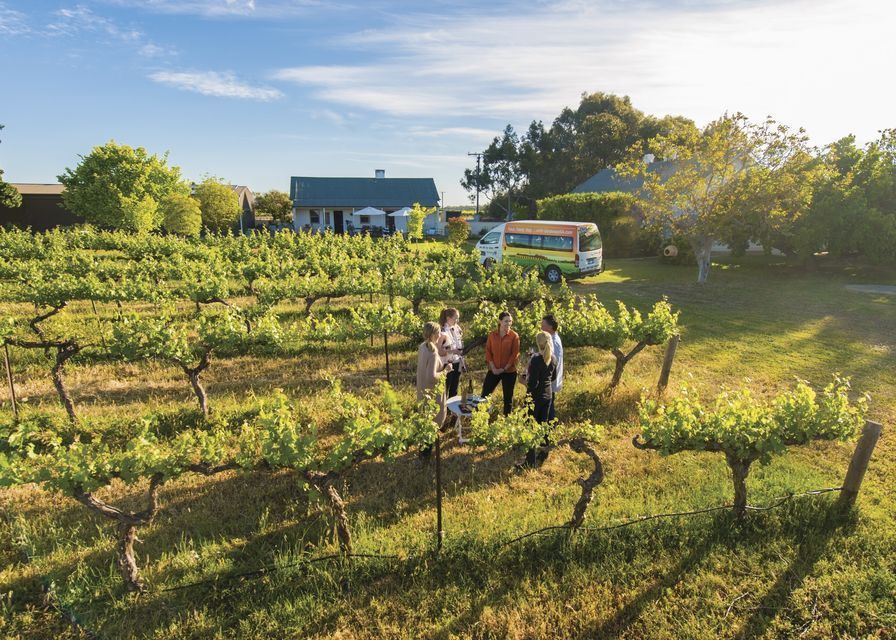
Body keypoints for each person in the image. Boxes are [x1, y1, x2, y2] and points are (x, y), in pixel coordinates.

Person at [524, 330, 558, 467]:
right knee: (544, 424)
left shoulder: (536, 359)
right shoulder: (553, 358)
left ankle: (529, 459)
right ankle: (543, 453)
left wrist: (524, 381)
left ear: (538, 343)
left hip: (535, 396)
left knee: (530, 426)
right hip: (548, 394)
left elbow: (532, 383)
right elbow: (553, 377)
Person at [481, 311, 520, 415]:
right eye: (506, 321)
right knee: (485, 394)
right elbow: (488, 352)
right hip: (494, 370)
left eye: (510, 321)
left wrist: (504, 368)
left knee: (508, 398)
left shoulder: (514, 336)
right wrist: (493, 368)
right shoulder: (492, 335)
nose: (508, 323)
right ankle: (483, 416)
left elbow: (514, 354)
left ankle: (507, 420)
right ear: (500, 321)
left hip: (509, 371)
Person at [416, 321, 450, 429]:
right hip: (432, 394)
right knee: (433, 424)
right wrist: (446, 370)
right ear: (433, 334)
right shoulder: (433, 352)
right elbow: (432, 376)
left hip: (422, 391)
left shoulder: (422, 347)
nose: (440, 335)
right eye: (439, 333)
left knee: (424, 423)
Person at [437, 308, 465, 399]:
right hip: (447, 364)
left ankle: (452, 411)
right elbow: (439, 351)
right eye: (456, 318)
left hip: (457, 362)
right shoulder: (442, 332)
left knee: (454, 389)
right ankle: (443, 411)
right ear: (448, 318)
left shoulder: (457, 329)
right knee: (445, 389)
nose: (457, 320)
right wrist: (453, 351)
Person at [541, 314, 563, 421]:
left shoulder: (553, 342)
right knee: (549, 404)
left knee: (549, 407)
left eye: (543, 325)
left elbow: (552, 363)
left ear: (550, 327)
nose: (541, 328)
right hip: (551, 379)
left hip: (550, 380)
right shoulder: (553, 338)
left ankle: (549, 431)